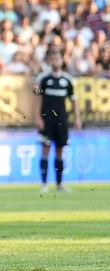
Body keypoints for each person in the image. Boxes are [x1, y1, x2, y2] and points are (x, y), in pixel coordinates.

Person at [34, 49, 81, 196]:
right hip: (46, 120)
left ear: (62, 60)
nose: (55, 61)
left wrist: (77, 118)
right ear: (49, 61)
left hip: (61, 121)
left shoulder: (67, 80)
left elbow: (74, 101)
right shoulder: (43, 78)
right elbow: (36, 99)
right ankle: (44, 184)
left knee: (60, 151)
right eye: (52, 58)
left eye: (57, 58)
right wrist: (37, 117)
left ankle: (60, 184)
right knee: (45, 150)